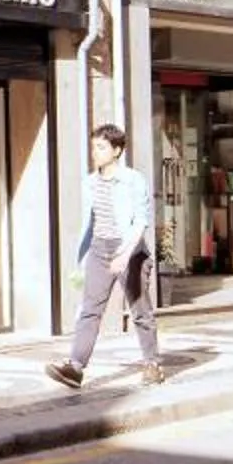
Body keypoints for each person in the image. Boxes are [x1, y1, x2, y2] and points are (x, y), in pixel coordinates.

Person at [46, 120, 167, 389]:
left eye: (101, 147)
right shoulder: (89, 183)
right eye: (94, 148)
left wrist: (125, 254)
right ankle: (75, 368)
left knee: (140, 310)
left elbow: (140, 221)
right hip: (100, 250)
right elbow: (90, 223)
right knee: (90, 310)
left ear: (117, 150)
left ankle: (152, 364)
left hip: (131, 251)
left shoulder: (133, 180)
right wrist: (83, 259)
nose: (96, 153)